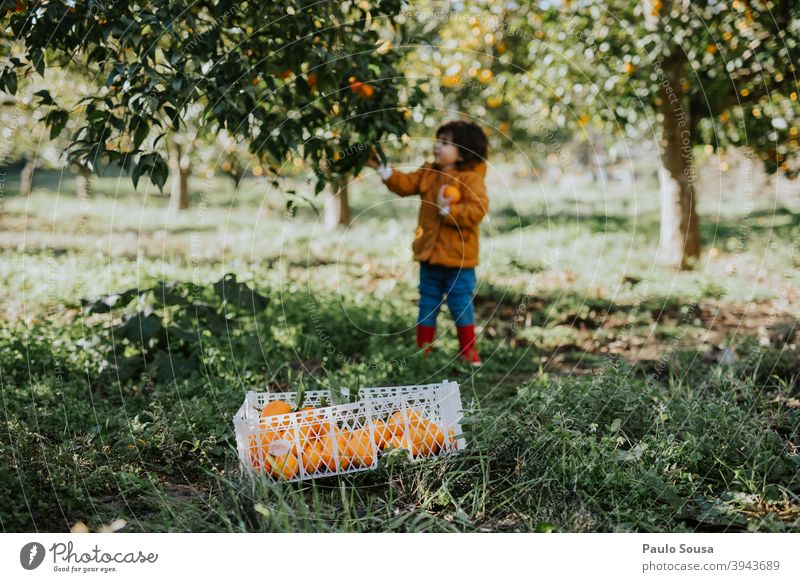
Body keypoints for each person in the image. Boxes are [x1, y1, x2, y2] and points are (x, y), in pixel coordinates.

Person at [367, 120, 489, 366]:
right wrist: (385, 171)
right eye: (437, 141)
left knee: (460, 303)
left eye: (445, 143)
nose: (437, 147)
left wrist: (450, 211)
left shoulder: (471, 179)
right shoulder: (429, 173)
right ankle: (424, 351)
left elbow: (478, 209)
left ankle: (468, 351)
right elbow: (406, 184)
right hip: (429, 255)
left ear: (463, 151)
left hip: (459, 259)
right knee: (427, 302)